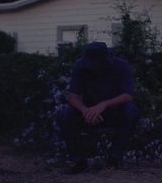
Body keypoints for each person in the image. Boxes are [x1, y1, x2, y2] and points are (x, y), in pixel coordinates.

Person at [57, 41, 140, 174]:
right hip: (89, 114)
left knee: (131, 111)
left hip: (114, 113)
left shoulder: (121, 65)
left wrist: (103, 105)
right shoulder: (80, 66)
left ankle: (114, 159)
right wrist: (86, 111)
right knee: (65, 115)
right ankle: (80, 163)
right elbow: (73, 97)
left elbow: (128, 96)